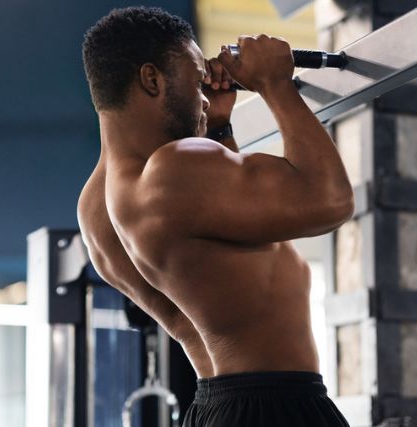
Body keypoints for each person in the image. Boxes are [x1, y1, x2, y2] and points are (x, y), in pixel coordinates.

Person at [78, 6, 353, 427]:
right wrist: (275, 84)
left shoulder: (97, 205)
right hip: (278, 408)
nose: (204, 94)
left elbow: (229, 249)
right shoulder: (174, 169)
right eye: (194, 77)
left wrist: (219, 128)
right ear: (152, 79)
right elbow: (329, 200)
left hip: (218, 406)